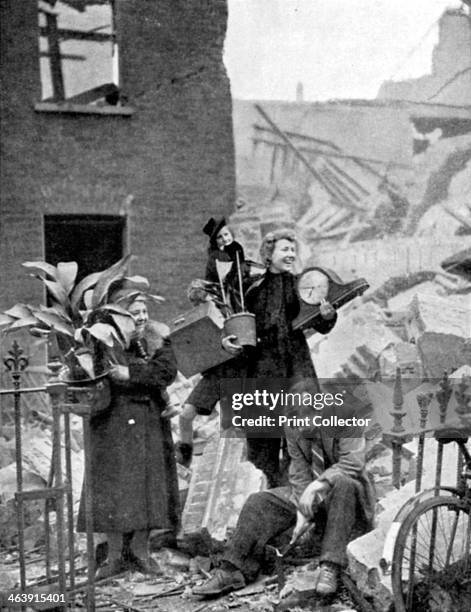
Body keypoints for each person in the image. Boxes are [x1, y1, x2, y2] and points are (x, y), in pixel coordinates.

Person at [193, 402, 376, 598]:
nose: (302, 425)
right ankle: (232, 570)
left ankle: (330, 567)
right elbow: (298, 472)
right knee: (259, 501)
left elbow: (353, 463)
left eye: (308, 418)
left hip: (348, 500)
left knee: (344, 484)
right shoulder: (293, 424)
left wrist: (318, 485)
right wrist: (302, 511)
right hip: (313, 495)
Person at [221, 229, 337, 487]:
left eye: (293, 250)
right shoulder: (252, 289)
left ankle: (309, 499)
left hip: (296, 366)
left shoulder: (301, 285)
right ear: (268, 254)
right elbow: (238, 327)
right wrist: (230, 341)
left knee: (307, 434)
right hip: (263, 371)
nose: (291, 254)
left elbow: (318, 319)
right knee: (263, 440)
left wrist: (327, 316)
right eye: (285, 249)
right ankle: (270, 496)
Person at [76, 295, 180, 578]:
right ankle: (113, 556)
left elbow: (165, 372)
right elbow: (100, 374)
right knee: (113, 488)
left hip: (147, 421)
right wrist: (128, 376)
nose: (142, 317)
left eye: (145, 311)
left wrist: (130, 373)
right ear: (119, 317)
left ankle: (140, 552)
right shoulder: (103, 342)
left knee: (148, 486)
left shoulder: (157, 339)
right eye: (135, 313)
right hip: (111, 422)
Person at [177, 218, 247, 466]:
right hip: (216, 368)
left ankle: (233, 471)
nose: (225, 240)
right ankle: (183, 460)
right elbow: (196, 296)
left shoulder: (243, 282)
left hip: (237, 367)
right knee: (185, 416)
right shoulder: (210, 292)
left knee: (233, 427)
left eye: (227, 235)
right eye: (220, 237)